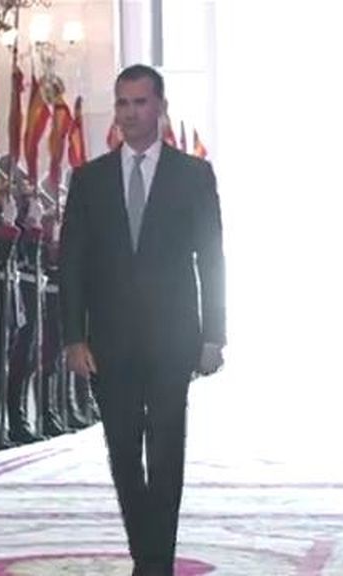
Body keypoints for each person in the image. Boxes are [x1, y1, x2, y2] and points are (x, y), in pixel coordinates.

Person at [59, 64, 226, 576]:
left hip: (174, 339)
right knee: (124, 453)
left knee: (166, 450)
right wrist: (72, 337)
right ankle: (145, 551)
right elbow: (73, 264)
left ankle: (157, 563)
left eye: (141, 103)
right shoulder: (89, 179)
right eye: (123, 104)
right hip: (109, 343)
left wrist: (214, 335)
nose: (131, 114)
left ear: (160, 108)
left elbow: (212, 257)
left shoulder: (193, 174)